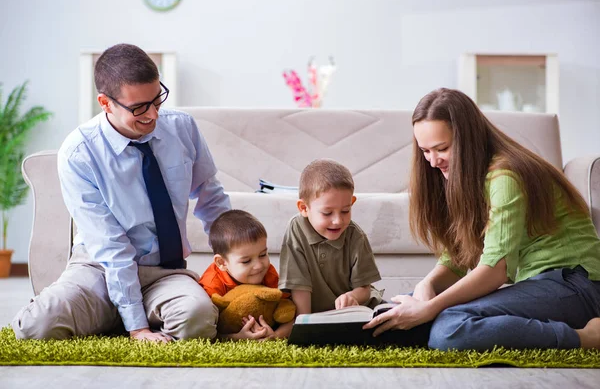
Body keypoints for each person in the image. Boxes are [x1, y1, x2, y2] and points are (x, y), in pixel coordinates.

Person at [11, 43, 231, 343]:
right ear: (105, 102)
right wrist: (137, 327)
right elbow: (109, 246)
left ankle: (113, 318)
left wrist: (237, 262)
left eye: (157, 100)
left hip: (164, 272)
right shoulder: (79, 153)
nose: (153, 114)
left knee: (197, 322)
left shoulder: (181, 128)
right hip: (97, 271)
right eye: (139, 107)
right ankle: (125, 316)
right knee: (34, 327)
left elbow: (212, 198)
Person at [364, 87, 600, 350]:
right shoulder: (463, 178)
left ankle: (586, 338)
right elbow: (456, 261)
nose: (432, 161)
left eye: (441, 148)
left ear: (468, 140)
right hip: (538, 286)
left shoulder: (505, 176)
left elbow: (495, 270)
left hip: (577, 285)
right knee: (395, 310)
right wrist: (426, 286)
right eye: (425, 151)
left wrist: (430, 308)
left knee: (449, 327)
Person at [278, 159, 383, 327]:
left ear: (352, 203)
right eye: (327, 213)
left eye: (345, 211)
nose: (338, 221)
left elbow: (364, 289)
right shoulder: (296, 229)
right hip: (314, 314)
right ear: (304, 208)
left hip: (353, 315)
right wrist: (305, 325)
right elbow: (300, 286)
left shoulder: (355, 236)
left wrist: (353, 297)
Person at [199, 209, 291, 340]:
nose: (259, 265)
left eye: (263, 255)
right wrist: (236, 337)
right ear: (222, 263)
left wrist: (275, 335)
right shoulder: (212, 285)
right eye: (246, 261)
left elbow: (288, 308)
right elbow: (203, 332)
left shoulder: (268, 272)